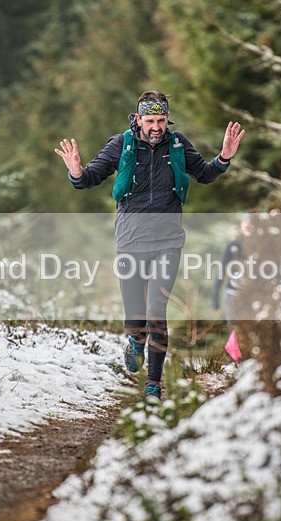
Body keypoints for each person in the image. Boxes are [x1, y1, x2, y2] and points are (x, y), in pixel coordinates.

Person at [55, 90, 245, 400]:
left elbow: (204, 175)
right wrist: (76, 171)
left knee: (157, 311)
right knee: (136, 315)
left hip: (168, 242)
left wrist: (224, 157)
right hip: (130, 240)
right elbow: (89, 178)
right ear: (138, 119)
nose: (156, 127)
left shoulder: (178, 143)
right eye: (150, 120)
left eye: (161, 120)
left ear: (167, 119)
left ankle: (154, 385)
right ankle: (134, 340)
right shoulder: (121, 144)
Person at [212, 213, 254, 327]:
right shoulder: (233, 245)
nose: (249, 225)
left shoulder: (262, 246)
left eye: (252, 223)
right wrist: (215, 293)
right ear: (241, 225)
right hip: (233, 295)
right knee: (235, 331)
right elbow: (222, 269)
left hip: (253, 297)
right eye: (246, 223)